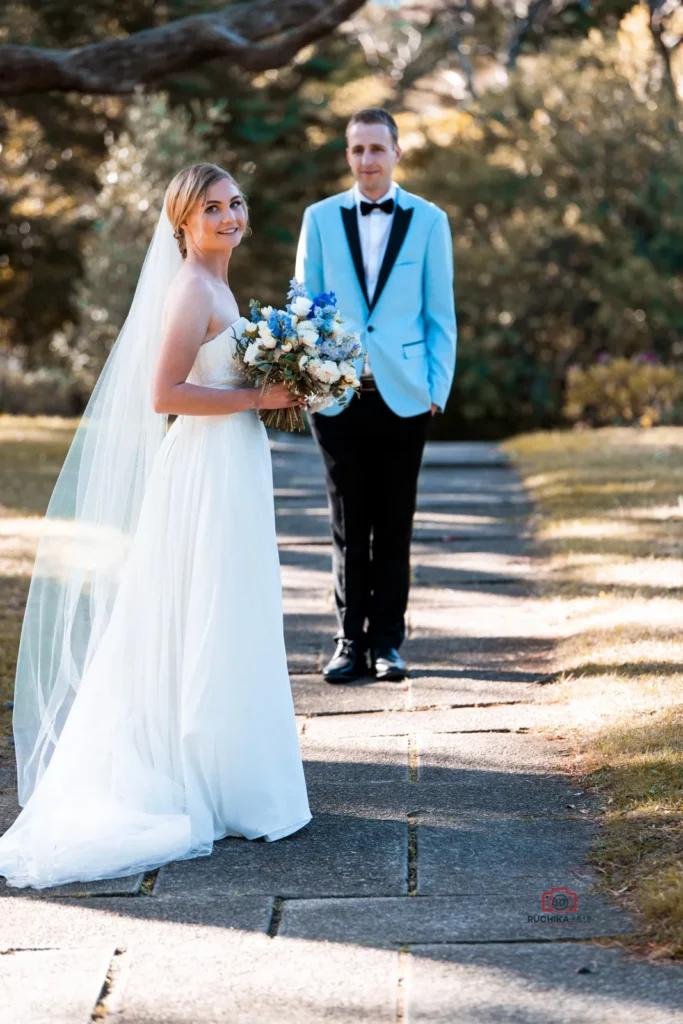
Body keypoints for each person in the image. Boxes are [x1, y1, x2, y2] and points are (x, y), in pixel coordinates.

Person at [0, 164, 311, 889]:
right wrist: (259, 395)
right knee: (203, 609)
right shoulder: (192, 290)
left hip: (231, 463)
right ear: (182, 220)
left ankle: (231, 774)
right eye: (213, 207)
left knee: (228, 610)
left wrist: (282, 389)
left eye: (236, 203)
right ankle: (198, 775)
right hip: (203, 469)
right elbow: (163, 394)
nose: (230, 216)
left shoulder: (218, 285)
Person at [295, 108, 457, 685]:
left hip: (406, 395)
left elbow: (441, 314)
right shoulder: (318, 219)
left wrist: (436, 387)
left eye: (377, 148)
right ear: (348, 156)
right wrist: (309, 384)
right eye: (357, 149)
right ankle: (348, 640)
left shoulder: (430, 220)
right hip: (336, 397)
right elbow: (305, 306)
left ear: (396, 152)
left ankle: (387, 643)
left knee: (394, 523)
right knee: (347, 522)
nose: (367, 160)